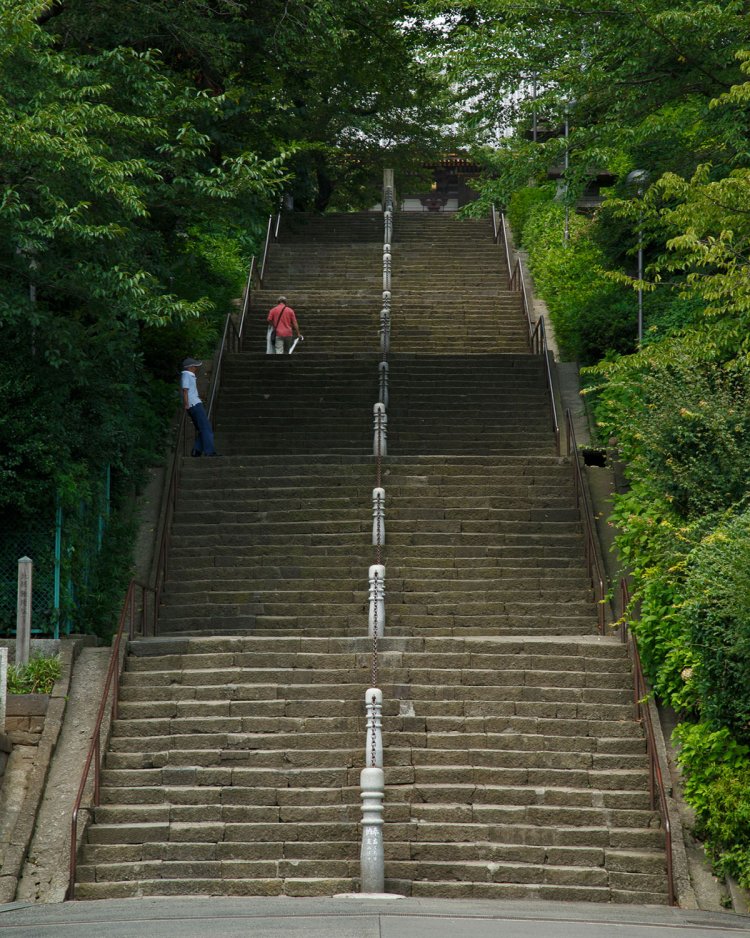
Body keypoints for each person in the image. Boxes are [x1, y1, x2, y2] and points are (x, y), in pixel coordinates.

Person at [180, 357, 218, 456]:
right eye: (195, 366)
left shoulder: (189, 375)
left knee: (203, 428)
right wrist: (187, 404)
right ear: (190, 367)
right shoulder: (186, 375)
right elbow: (185, 390)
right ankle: (209, 452)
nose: (196, 368)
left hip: (195, 403)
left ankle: (196, 451)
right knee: (206, 428)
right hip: (194, 404)